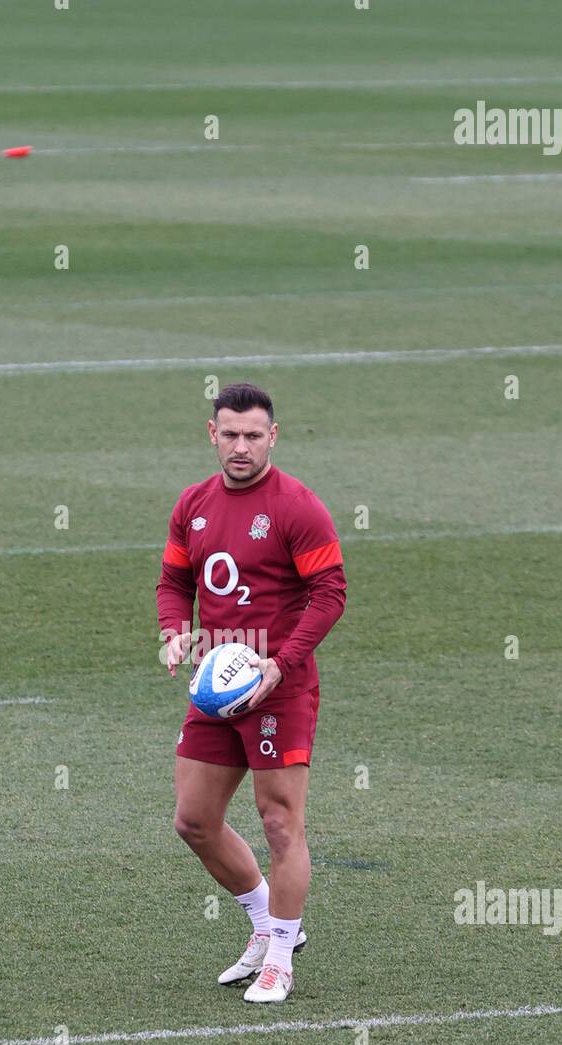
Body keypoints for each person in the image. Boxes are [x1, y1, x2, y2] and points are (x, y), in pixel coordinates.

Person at [156, 382, 347, 1002]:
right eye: (230, 434)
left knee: (280, 823)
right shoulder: (193, 503)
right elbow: (173, 579)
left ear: (273, 436)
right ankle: (269, 927)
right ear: (212, 434)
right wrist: (173, 632)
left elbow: (330, 594)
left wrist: (280, 664)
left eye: (254, 435)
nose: (242, 446)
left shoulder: (297, 506)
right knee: (194, 820)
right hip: (217, 686)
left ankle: (281, 963)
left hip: (280, 687)